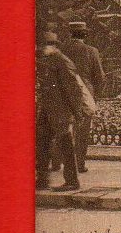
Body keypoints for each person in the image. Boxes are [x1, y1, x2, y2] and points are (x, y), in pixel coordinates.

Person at [36, 32, 88, 191]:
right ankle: (42, 180)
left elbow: (73, 90)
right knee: (42, 143)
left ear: (53, 46)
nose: (41, 49)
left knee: (66, 145)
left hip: (61, 111)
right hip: (49, 110)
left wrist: (76, 113)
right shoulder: (50, 60)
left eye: (45, 46)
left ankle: (72, 181)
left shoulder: (62, 61)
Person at [61, 21, 104, 173]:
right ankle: (79, 164)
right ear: (85, 35)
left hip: (64, 93)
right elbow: (99, 77)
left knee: (63, 128)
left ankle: (61, 163)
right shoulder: (91, 51)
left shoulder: (62, 50)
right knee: (83, 130)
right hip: (84, 93)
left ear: (70, 34)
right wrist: (96, 94)